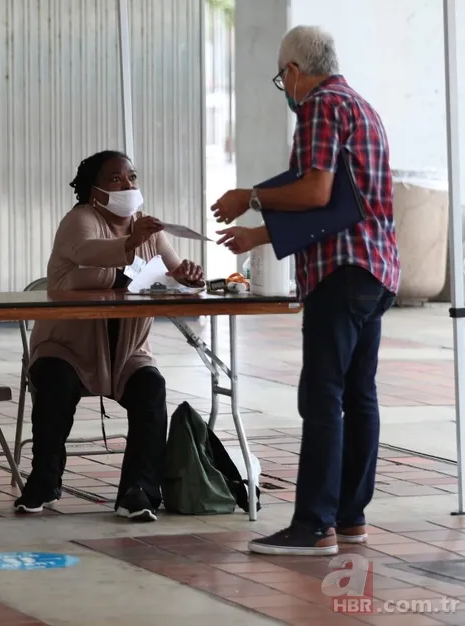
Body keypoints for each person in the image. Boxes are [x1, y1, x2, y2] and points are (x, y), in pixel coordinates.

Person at [212, 26, 400, 556]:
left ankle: (314, 526)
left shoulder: (320, 106)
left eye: (281, 78)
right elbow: (339, 204)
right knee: (359, 396)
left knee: (322, 398)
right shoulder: (363, 108)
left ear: (293, 71)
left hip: (340, 274)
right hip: (376, 272)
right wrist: (258, 234)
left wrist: (250, 196)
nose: (285, 89)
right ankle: (350, 517)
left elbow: (315, 191)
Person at [13, 150, 204, 522]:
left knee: (151, 389)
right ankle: (43, 483)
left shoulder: (148, 227)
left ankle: (138, 492)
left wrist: (188, 277)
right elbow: (87, 253)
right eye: (116, 179)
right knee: (53, 381)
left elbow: (173, 274)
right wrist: (130, 246)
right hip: (67, 348)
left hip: (129, 351)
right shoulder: (80, 219)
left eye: (132, 177)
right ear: (94, 189)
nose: (127, 184)